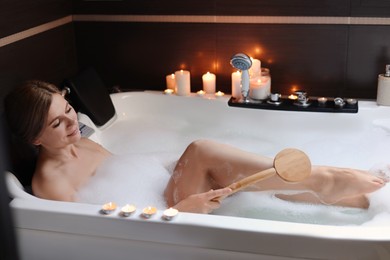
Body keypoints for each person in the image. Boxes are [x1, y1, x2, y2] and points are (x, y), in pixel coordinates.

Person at [4, 80, 388, 214]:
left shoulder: (80, 143)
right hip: (167, 214)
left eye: (69, 109)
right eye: (58, 122)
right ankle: (326, 177)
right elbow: (101, 224)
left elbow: (129, 173)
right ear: (34, 138)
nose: (74, 123)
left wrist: (178, 172)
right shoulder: (50, 186)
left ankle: (352, 200)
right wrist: (179, 206)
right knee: (201, 149)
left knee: (231, 173)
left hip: (166, 191)